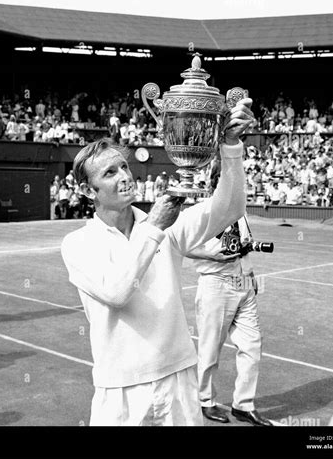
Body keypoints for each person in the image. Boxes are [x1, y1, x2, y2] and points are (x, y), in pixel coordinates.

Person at [61, 98, 254, 426]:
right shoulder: (77, 244)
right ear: (87, 190)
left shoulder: (166, 224)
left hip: (178, 378)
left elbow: (230, 208)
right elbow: (118, 292)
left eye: (123, 166)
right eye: (110, 173)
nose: (124, 176)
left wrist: (231, 147)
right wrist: (153, 228)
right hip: (119, 388)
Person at [186, 161, 272, 426]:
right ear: (217, 181)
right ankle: (205, 400)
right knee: (210, 348)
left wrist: (251, 273)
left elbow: (244, 246)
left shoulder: (240, 211)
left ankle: (243, 405)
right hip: (215, 281)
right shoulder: (201, 212)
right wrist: (210, 253)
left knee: (252, 346)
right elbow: (180, 245)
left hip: (242, 282)